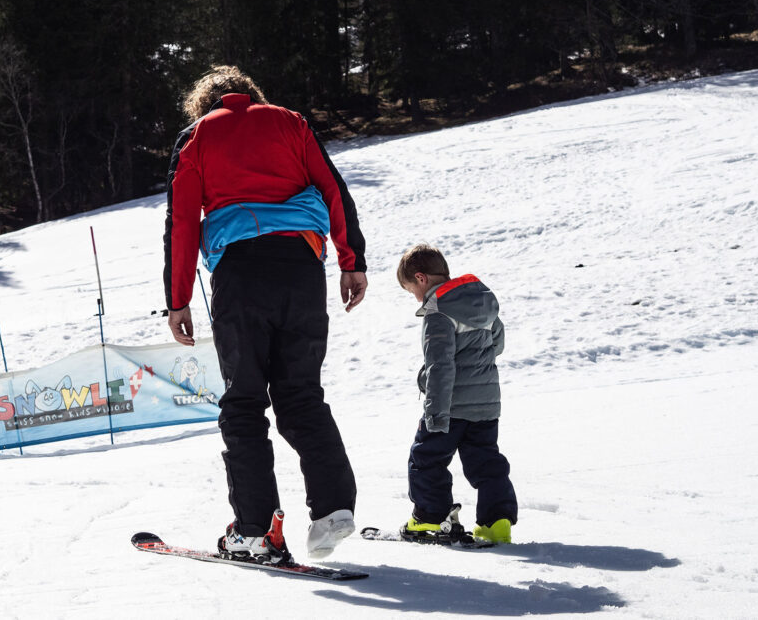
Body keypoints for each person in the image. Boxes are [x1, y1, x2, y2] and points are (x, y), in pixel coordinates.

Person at [163, 66, 368, 561]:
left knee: (244, 402)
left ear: (203, 104)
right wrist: (352, 260)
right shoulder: (291, 122)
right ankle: (333, 507)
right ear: (251, 94)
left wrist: (178, 300)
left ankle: (256, 529)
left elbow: (184, 219)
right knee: (300, 394)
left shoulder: (197, 137)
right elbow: (332, 188)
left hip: (241, 275)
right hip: (301, 267)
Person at [396, 244, 517, 544]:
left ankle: (429, 519)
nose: (415, 297)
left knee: (426, 459)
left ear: (421, 279)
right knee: (486, 461)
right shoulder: (481, 302)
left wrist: (435, 412)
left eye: (411, 290)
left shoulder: (438, 312)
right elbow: (497, 344)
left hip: (449, 406)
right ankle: (496, 523)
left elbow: (440, 366)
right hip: (487, 405)